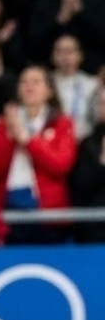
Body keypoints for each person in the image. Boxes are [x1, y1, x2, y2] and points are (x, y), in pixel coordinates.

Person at [0, 65, 77, 223]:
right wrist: (10, 135)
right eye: (24, 82)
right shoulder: (3, 123)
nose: (29, 87)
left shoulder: (62, 124)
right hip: (7, 207)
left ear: (49, 91)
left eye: (36, 82)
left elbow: (61, 165)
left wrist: (27, 140)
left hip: (47, 211)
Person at [25, 0, 105, 73]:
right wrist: (62, 17)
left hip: (93, 72)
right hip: (50, 75)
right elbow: (34, 46)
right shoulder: (41, 3)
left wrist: (81, 13)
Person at [69, 87, 105, 242]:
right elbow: (81, 187)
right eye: (102, 104)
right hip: (96, 229)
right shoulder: (88, 144)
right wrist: (102, 164)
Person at [51, 33, 99, 141]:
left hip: (84, 141)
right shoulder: (46, 82)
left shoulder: (92, 84)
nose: (65, 56)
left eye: (70, 51)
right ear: (53, 56)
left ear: (80, 55)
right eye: (60, 52)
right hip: (53, 140)